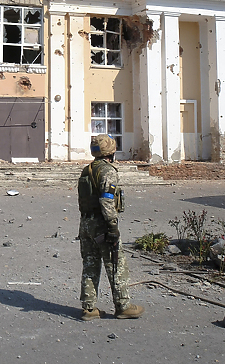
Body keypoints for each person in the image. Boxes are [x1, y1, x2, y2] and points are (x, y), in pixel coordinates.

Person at [77, 134, 144, 320]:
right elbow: (107, 201)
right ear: (111, 152)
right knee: (116, 263)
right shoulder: (107, 171)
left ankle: (89, 308)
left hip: (86, 224)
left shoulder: (87, 170)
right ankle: (123, 305)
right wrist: (112, 227)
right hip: (101, 224)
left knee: (90, 264)